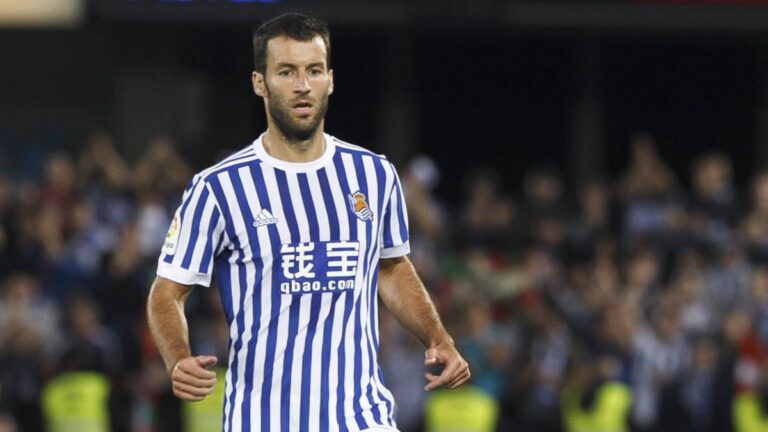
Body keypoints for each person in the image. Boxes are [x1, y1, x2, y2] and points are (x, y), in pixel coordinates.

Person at [146, 13, 470, 432]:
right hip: (262, 421)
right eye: (286, 72)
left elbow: (390, 268)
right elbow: (166, 291)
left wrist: (438, 337)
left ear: (330, 80)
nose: (303, 85)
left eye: (314, 71)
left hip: (362, 419)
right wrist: (177, 357)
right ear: (259, 83)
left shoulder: (374, 174)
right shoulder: (218, 187)